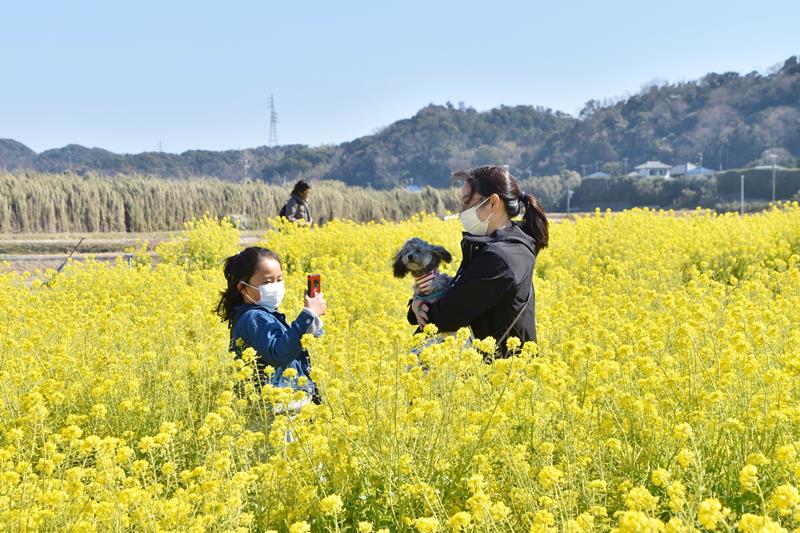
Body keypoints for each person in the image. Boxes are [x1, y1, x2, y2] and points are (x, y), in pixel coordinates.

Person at [407, 165, 548, 357]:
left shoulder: (499, 258)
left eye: (466, 202)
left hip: (497, 373)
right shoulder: (508, 246)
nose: (462, 211)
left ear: (493, 203)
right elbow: (457, 297)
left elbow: (447, 316)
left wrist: (419, 307)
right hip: (500, 367)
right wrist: (416, 304)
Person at [216, 246, 326, 405]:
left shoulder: (265, 315)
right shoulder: (253, 318)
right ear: (243, 287)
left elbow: (290, 345)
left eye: (279, 279)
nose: (275, 286)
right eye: (267, 281)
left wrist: (312, 319)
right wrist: (308, 315)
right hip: (276, 411)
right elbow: (278, 353)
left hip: (289, 407)